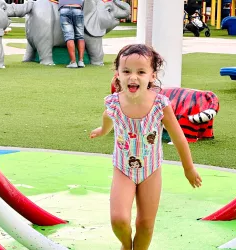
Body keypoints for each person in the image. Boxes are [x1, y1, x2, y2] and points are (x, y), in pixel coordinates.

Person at [90, 44, 202, 250]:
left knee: (145, 225)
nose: (133, 77)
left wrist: (188, 168)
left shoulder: (160, 105)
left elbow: (179, 138)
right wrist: (101, 130)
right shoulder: (114, 103)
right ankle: (126, 245)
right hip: (123, 168)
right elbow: (108, 119)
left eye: (141, 72)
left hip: (151, 170)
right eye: (126, 71)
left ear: (152, 75)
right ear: (118, 75)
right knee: (119, 219)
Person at [58, 0, 86, 68]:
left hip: (65, 9)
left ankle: (73, 62)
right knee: (80, 36)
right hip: (77, 8)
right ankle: (81, 61)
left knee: (69, 36)